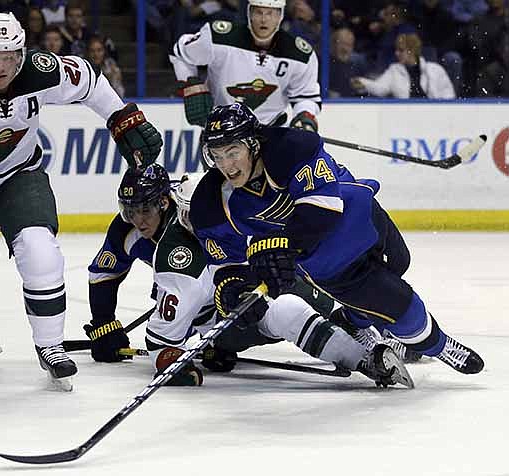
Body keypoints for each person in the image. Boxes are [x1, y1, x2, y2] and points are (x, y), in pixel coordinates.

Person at [0, 12, 163, 387]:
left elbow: (88, 79)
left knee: (40, 249)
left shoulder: (41, 70)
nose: (0, 66)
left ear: (21, 55)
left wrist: (121, 116)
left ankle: (51, 345)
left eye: (8, 56)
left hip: (19, 176)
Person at [189, 102, 484, 376]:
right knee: (402, 306)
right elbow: (225, 265)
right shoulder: (211, 203)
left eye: (232, 152)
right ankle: (440, 344)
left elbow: (323, 210)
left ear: (253, 144)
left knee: (400, 264)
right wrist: (234, 292)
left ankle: (353, 321)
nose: (226, 166)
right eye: (217, 156)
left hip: (365, 214)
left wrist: (281, 245)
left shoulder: (290, 148)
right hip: (330, 263)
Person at [85, 164, 413, 388]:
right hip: (226, 318)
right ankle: (366, 359)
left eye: (145, 209)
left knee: (306, 270)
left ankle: (376, 327)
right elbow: (159, 340)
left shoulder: (223, 210)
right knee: (287, 310)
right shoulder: (176, 260)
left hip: (251, 284)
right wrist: (182, 355)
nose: (137, 219)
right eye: (131, 211)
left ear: (166, 201)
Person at [170, 0, 321, 131]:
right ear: (249, 13)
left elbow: (306, 97)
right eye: (258, 12)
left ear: (280, 16)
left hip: (272, 133)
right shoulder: (219, 37)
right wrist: (189, 82)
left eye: (270, 13)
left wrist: (305, 116)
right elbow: (180, 52)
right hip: (222, 131)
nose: (264, 19)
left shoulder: (300, 55)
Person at [350, 33, 456, 99]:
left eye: (401, 50)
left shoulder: (435, 69)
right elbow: (381, 88)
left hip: (433, 116)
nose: (396, 53)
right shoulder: (394, 70)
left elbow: (448, 95)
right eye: (396, 50)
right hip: (405, 116)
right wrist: (363, 83)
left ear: (412, 51)